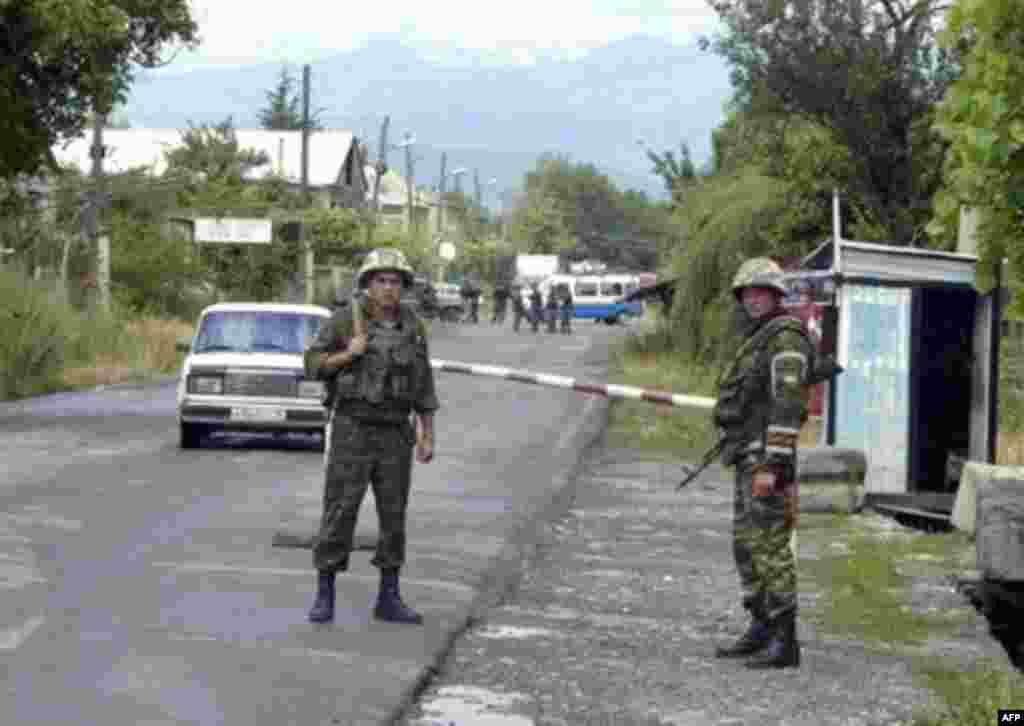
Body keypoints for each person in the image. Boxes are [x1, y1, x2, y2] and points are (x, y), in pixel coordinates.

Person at [303, 248, 439, 625]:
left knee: (394, 516)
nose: (389, 288)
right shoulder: (345, 321)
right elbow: (312, 364)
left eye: (395, 281)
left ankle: (389, 597)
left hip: (396, 432)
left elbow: (424, 384)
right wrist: (348, 354)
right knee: (340, 509)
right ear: (367, 284)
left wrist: (427, 434)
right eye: (381, 280)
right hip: (353, 428)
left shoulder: (412, 326)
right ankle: (324, 594)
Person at [712, 257, 815, 669]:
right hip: (747, 454)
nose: (752, 300)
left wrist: (773, 466)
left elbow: (788, 407)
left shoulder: (785, 340)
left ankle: (785, 640)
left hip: (765, 460)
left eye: (760, 292)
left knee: (770, 547)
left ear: (776, 295)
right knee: (746, 545)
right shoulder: (758, 337)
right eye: (747, 293)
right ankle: (760, 625)